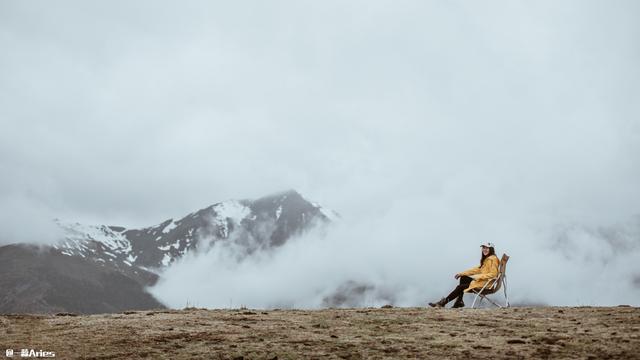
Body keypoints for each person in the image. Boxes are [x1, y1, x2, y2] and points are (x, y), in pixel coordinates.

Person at [428, 242, 500, 308]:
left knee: (460, 287)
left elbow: (493, 274)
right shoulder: (488, 259)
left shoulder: (492, 259)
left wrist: (477, 277)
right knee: (463, 277)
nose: (484, 249)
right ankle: (459, 301)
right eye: (483, 248)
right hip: (482, 281)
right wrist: (462, 273)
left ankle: (443, 303)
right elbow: (477, 269)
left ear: (491, 249)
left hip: (485, 284)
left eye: (487, 248)